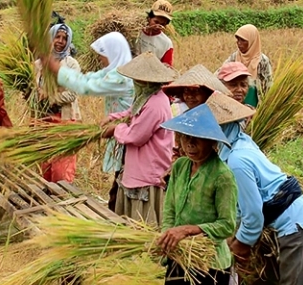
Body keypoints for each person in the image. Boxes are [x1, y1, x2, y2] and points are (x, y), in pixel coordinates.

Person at [212, 92, 303, 285]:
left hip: (295, 226)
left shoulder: (237, 160)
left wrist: (240, 245)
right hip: (272, 228)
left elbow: (252, 216)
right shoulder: (235, 144)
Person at [43, 31, 134, 211]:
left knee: (126, 179)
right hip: (121, 131)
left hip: (130, 135)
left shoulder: (122, 76)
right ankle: (119, 213)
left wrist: (55, 69)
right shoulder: (116, 71)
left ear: (114, 53)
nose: (100, 60)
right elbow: (91, 78)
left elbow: (85, 86)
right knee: (121, 178)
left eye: (103, 57)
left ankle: (123, 218)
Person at [157, 103, 238, 285]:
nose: (190, 143)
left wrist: (188, 230)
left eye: (198, 138)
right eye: (186, 137)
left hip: (210, 266)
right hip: (179, 258)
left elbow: (227, 225)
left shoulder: (222, 176)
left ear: (212, 142)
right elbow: (170, 209)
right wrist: (169, 238)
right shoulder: (180, 167)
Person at [100, 52, 178, 226]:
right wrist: (114, 117)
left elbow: (136, 136)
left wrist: (115, 129)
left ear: (147, 81)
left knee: (142, 223)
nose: (135, 82)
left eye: (138, 79)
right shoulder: (147, 97)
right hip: (139, 166)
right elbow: (133, 112)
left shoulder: (157, 103)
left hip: (148, 170)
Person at [35, 23, 82, 183]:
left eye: (65, 38)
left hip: (65, 121)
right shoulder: (39, 65)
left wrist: (49, 96)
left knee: (62, 168)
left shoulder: (71, 64)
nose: (60, 41)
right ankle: (47, 202)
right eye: (57, 36)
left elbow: (72, 94)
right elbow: (33, 90)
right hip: (44, 121)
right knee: (46, 165)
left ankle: (61, 202)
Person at [161, 64, 230, 161]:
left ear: (207, 94)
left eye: (196, 92)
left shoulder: (219, 119)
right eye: (186, 91)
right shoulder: (184, 118)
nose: (190, 96)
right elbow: (178, 148)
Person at [216, 24, 273, 104]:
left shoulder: (263, 61)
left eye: (243, 40)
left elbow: (268, 86)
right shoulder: (234, 57)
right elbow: (219, 75)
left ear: (252, 41)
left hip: (254, 100)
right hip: (235, 99)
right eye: (238, 40)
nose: (239, 43)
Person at [137, 0, 174, 67]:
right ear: (149, 18)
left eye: (162, 24)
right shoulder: (136, 33)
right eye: (156, 22)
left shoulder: (166, 43)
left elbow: (167, 68)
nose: (158, 26)